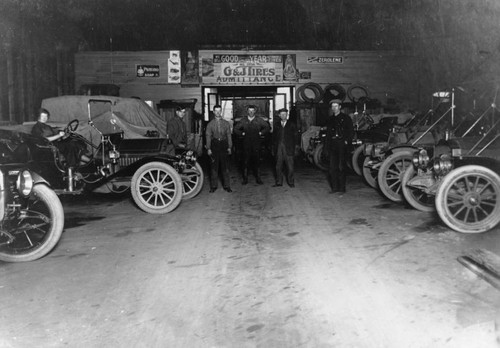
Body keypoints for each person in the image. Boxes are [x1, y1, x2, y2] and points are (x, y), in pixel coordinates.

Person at [233, 105, 270, 185]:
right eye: (249, 111)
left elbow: (267, 127)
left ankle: (258, 178)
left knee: (257, 162)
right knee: (245, 162)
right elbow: (235, 129)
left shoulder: (259, 120)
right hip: (246, 145)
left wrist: (261, 132)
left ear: (255, 111)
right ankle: (245, 179)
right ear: (247, 111)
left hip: (256, 145)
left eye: (252, 111)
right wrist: (241, 133)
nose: (251, 112)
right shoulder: (243, 120)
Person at [325, 99, 354, 194]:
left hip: (342, 145)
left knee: (341, 167)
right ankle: (334, 188)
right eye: (332, 106)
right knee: (332, 168)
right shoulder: (330, 119)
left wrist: (346, 141)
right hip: (332, 145)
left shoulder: (346, 118)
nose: (334, 108)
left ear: (340, 107)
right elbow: (328, 134)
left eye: (336, 106)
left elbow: (351, 132)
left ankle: (342, 188)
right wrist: (326, 147)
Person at [205, 105, 233, 193]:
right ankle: (213, 186)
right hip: (215, 145)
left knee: (225, 167)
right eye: (216, 111)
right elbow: (208, 136)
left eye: (219, 110)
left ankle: (227, 186)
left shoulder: (226, 123)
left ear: (221, 111)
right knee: (214, 166)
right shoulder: (210, 124)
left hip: (224, 145)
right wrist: (208, 148)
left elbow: (229, 135)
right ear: (213, 112)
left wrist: (229, 147)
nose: (217, 112)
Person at [272, 108, 297, 188]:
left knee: (290, 166)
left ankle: (291, 182)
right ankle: (279, 182)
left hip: (289, 148)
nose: (283, 116)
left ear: (287, 115)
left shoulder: (292, 124)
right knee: (278, 165)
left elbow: (296, 137)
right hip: (279, 147)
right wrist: (273, 148)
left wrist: (296, 147)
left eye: (285, 114)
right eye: (282, 114)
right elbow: (273, 137)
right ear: (279, 115)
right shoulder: (276, 125)